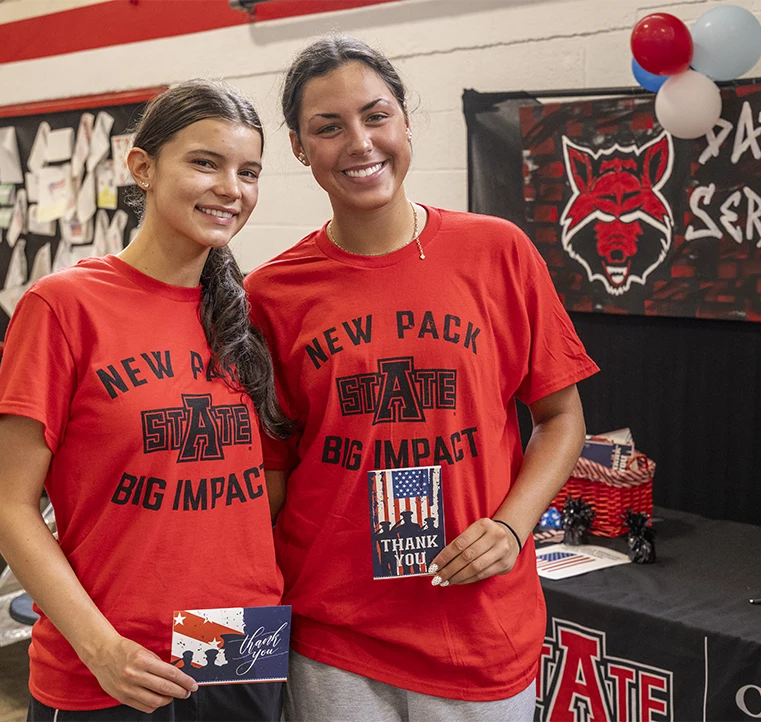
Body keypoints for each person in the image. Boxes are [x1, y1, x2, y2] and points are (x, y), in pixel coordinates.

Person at [244, 35, 598, 721]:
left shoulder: (496, 252)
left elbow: (562, 418)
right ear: (297, 145)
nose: (359, 142)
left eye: (376, 116)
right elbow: (271, 472)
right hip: (333, 633)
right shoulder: (272, 294)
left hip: (477, 629)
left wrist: (512, 526)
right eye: (328, 126)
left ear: (406, 121)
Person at [0, 79, 291, 721]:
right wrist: (100, 648)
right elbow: (10, 509)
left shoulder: (248, 321)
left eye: (250, 171)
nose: (231, 188)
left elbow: (266, 490)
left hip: (242, 646)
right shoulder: (64, 306)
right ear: (142, 167)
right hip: (116, 659)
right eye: (205, 162)